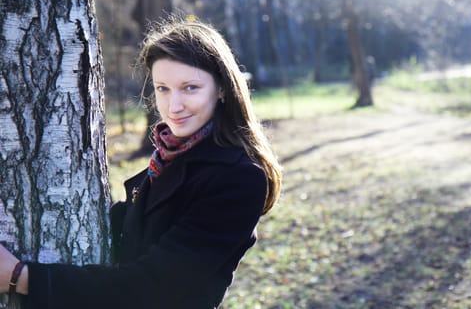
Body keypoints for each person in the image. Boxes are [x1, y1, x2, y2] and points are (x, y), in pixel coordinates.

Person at [0, 16, 282, 308]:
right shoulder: (169, 159)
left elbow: (148, 289)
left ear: (222, 88)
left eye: (190, 88)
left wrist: (20, 277)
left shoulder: (238, 178)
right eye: (163, 88)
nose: (173, 106)